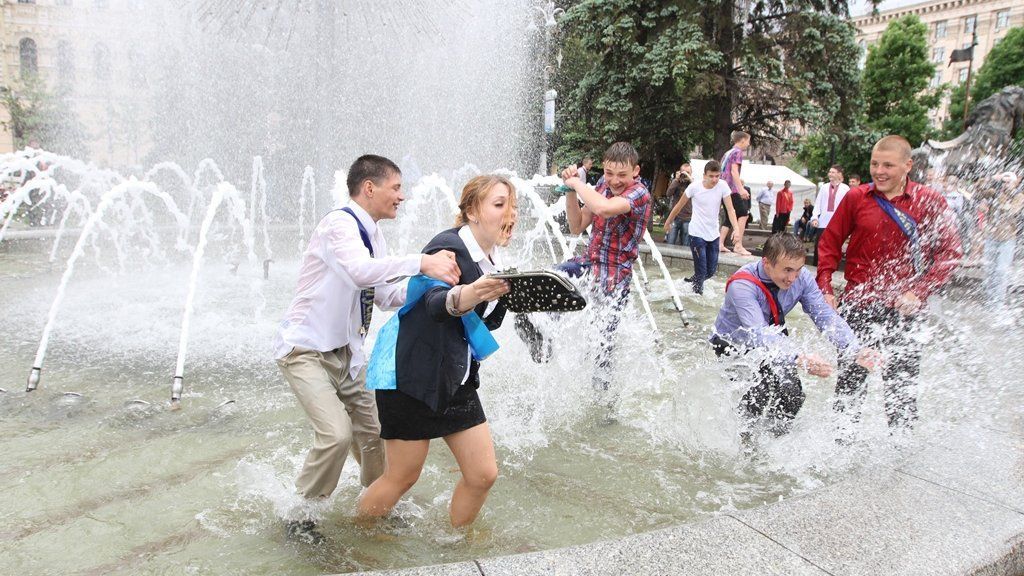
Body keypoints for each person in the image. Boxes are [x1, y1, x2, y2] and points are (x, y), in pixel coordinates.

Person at [273, 154, 461, 543]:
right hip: (305, 350)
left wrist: (445, 292)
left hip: (345, 352)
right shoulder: (339, 225)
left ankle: (376, 502)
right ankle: (301, 513)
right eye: (396, 188)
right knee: (337, 435)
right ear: (370, 188)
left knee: (376, 433)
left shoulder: (372, 232)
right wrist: (422, 262)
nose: (402, 197)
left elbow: (387, 295)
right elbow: (360, 271)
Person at [358, 174, 516, 527]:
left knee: (483, 474)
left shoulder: (493, 260)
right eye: (499, 204)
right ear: (472, 211)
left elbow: (481, 324)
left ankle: (457, 544)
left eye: (513, 205)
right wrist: (474, 292)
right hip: (411, 375)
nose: (511, 213)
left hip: (453, 378)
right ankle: (357, 535)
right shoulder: (447, 246)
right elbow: (433, 302)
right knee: (402, 477)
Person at [818, 136, 962, 429]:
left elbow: (950, 254)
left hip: (905, 311)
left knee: (902, 389)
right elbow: (829, 243)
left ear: (908, 166)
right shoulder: (857, 197)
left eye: (888, 165)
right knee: (850, 385)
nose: (879, 171)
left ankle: (900, 449)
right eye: (874, 164)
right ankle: (841, 448)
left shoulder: (930, 201)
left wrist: (918, 292)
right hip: (859, 306)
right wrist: (825, 288)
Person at [711, 233, 878, 435]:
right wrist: (798, 357)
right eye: (787, 270)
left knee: (792, 394)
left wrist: (854, 348)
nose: (792, 278)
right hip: (733, 344)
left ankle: (775, 442)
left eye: (797, 270)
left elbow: (824, 315)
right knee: (759, 392)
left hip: (775, 341)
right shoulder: (742, 285)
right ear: (767, 263)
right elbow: (760, 334)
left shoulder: (803, 278)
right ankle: (744, 443)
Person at [557, 142, 651, 398]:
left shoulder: (639, 193)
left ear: (635, 171)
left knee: (601, 343)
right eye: (609, 173)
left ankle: (603, 402)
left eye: (622, 174)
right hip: (589, 264)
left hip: (614, 277)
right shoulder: (600, 186)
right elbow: (577, 225)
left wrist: (578, 184)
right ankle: (540, 339)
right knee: (550, 279)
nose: (614, 180)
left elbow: (604, 209)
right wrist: (570, 189)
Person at [664, 160, 739, 295]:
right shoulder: (694, 187)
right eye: (711, 176)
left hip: (713, 234)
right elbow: (678, 206)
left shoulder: (723, 186)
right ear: (704, 175)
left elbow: (731, 209)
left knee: (710, 271)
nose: (714, 179)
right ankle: (697, 298)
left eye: (717, 176)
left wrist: (737, 229)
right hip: (697, 234)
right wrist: (668, 222)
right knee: (701, 271)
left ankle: (689, 282)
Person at [978, 171, 1023, 314]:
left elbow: (1012, 211)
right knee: (989, 270)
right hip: (991, 237)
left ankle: (998, 304)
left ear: (1015, 183)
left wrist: (1000, 197)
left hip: (1008, 240)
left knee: (1001, 271)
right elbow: (977, 191)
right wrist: (991, 178)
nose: (1005, 184)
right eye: (1004, 181)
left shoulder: (1019, 196)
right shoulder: (994, 192)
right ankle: (990, 299)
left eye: (1008, 181)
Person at [719, 131, 752, 255]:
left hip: (723, 189)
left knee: (729, 217)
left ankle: (720, 244)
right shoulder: (738, 152)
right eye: (748, 141)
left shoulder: (728, 152)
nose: (748, 144)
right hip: (731, 189)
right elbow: (734, 172)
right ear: (742, 140)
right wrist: (741, 189)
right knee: (744, 213)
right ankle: (738, 245)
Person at [664, 162, 693, 246]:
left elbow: (698, 194)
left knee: (686, 246)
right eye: (683, 172)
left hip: (688, 218)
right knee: (670, 243)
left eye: (688, 172)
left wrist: (690, 179)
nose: (685, 175)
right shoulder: (676, 182)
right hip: (675, 217)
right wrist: (676, 180)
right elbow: (668, 194)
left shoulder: (693, 184)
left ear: (691, 174)